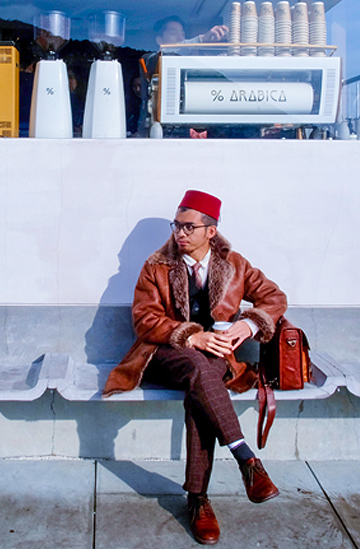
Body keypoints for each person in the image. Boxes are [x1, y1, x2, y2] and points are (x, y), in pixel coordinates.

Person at [103, 190, 286, 545]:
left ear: (211, 231)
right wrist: (191, 337)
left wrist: (247, 325)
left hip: (213, 363)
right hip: (162, 355)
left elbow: (274, 298)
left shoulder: (235, 264)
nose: (179, 234)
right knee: (196, 364)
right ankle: (246, 459)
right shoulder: (157, 266)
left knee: (202, 383)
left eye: (189, 227)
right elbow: (144, 320)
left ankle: (198, 498)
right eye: (177, 226)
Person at [154, 15, 228, 48]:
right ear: (159, 40)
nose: (180, 38)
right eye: (173, 33)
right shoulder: (151, 60)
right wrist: (202, 39)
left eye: (182, 34)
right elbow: (167, 52)